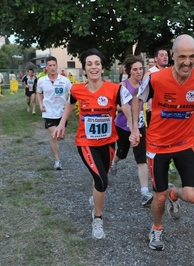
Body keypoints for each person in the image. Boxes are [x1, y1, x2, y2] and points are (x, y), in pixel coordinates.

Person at [129, 34, 194, 251]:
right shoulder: (155, 78)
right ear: (172, 55)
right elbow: (138, 97)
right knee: (159, 196)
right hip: (157, 146)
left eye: (192, 56)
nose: (187, 61)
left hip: (185, 143)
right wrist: (136, 128)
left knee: (193, 196)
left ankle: (175, 193)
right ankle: (156, 228)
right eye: (182, 56)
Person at [53, 48, 132, 239]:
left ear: (102, 67)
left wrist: (133, 127)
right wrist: (62, 123)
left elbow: (126, 106)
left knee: (101, 180)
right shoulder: (77, 89)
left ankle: (96, 196)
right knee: (102, 181)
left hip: (108, 142)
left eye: (97, 63)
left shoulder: (115, 89)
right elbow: (70, 103)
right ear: (85, 69)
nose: (93, 67)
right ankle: (97, 218)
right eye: (89, 64)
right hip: (85, 142)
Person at [110, 55, 153, 206]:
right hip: (122, 125)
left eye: (140, 69)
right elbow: (114, 107)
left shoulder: (145, 86)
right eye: (135, 69)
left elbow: (150, 100)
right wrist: (125, 108)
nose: (138, 72)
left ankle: (144, 192)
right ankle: (114, 163)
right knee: (122, 152)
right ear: (128, 71)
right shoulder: (122, 86)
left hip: (140, 125)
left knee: (141, 158)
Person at [142, 48, 176, 174]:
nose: (165, 57)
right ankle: (154, 159)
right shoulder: (150, 73)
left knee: (171, 135)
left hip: (170, 110)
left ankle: (170, 161)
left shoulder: (171, 72)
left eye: (166, 55)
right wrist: (149, 99)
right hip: (154, 111)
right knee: (156, 136)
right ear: (155, 59)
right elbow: (142, 93)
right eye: (161, 55)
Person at [36, 56, 72, 170]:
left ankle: (61, 134)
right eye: (49, 65)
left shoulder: (65, 80)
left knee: (61, 136)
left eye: (54, 65)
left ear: (57, 66)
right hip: (49, 112)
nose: (52, 68)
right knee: (53, 136)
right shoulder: (42, 81)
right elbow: (39, 93)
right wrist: (40, 104)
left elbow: (72, 94)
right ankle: (57, 161)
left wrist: (68, 105)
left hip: (62, 112)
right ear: (46, 67)